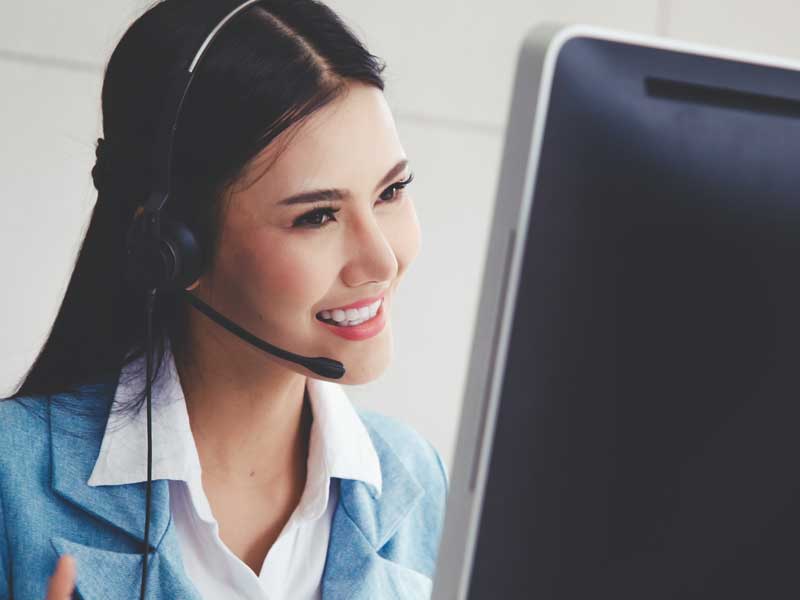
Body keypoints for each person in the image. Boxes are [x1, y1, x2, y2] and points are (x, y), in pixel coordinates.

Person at [0, 1, 448, 598]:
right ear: (172, 247)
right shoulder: (12, 483)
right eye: (317, 216)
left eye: (392, 191)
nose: (382, 260)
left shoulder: (415, 478)